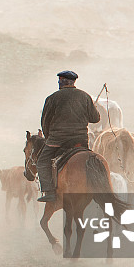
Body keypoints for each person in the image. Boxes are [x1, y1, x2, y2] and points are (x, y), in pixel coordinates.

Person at [37, 70, 100, 202]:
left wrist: (49, 138)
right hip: (81, 141)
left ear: (62, 81)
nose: (59, 82)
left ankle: (49, 192)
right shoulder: (85, 96)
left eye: (59, 80)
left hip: (57, 141)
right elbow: (95, 118)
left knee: (42, 162)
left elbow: (45, 121)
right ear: (73, 82)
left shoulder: (52, 98)